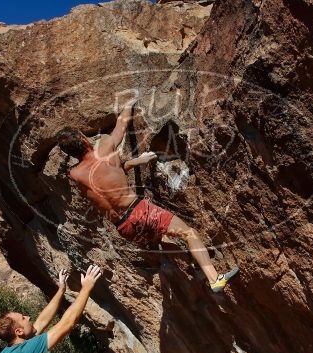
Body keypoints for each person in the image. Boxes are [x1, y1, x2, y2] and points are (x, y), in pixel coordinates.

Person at [56, 101, 240, 293]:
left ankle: (193, 266)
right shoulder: (105, 148)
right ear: (84, 139)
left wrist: (136, 161)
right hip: (140, 211)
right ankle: (213, 278)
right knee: (188, 233)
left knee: (164, 239)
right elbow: (122, 124)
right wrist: (129, 102)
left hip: (124, 227)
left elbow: (108, 177)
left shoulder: (74, 174)